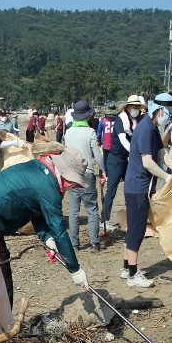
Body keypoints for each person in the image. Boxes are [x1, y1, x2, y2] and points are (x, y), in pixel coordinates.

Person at [0, 148, 91, 303]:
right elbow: (59, 229)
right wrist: (75, 269)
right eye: (75, 183)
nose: (74, 187)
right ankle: (3, 326)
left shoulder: (42, 169)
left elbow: (36, 210)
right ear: (68, 177)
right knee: (2, 282)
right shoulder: (47, 184)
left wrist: (47, 239)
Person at [122, 102, 170, 288]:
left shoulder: (152, 127)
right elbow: (148, 162)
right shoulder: (144, 129)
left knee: (133, 227)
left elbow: (161, 151)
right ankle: (133, 275)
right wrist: (167, 176)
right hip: (138, 187)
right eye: (167, 113)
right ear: (158, 111)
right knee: (137, 229)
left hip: (140, 186)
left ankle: (127, 268)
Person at [63, 101, 105, 251]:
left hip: (71, 174)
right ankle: (94, 243)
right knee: (92, 209)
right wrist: (103, 169)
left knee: (74, 211)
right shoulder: (90, 132)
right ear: (88, 116)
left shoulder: (68, 132)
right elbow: (98, 156)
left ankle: (75, 243)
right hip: (87, 174)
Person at [97, 96, 140, 230]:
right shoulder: (121, 121)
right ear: (128, 107)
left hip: (126, 159)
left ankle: (130, 217)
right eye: (134, 107)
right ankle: (104, 220)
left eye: (138, 107)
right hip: (115, 159)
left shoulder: (134, 122)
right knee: (111, 191)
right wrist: (135, 152)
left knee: (131, 188)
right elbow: (123, 140)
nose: (136, 110)